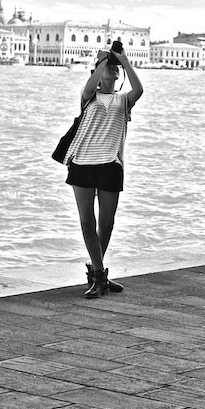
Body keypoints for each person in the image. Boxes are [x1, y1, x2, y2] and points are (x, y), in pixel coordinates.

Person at [63, 44, 143, 298]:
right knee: (87, 220)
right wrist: (102, 62)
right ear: (97, 72)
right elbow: (89, 87)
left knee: (107, 223)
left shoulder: (123, 100)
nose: (113, 70)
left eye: (115, 69)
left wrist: (123, 60)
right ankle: (99, 275)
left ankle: (97, 273)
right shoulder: (89, 97)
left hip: (110, 164)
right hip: (83, 163)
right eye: (110, 68)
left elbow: (139, 90)